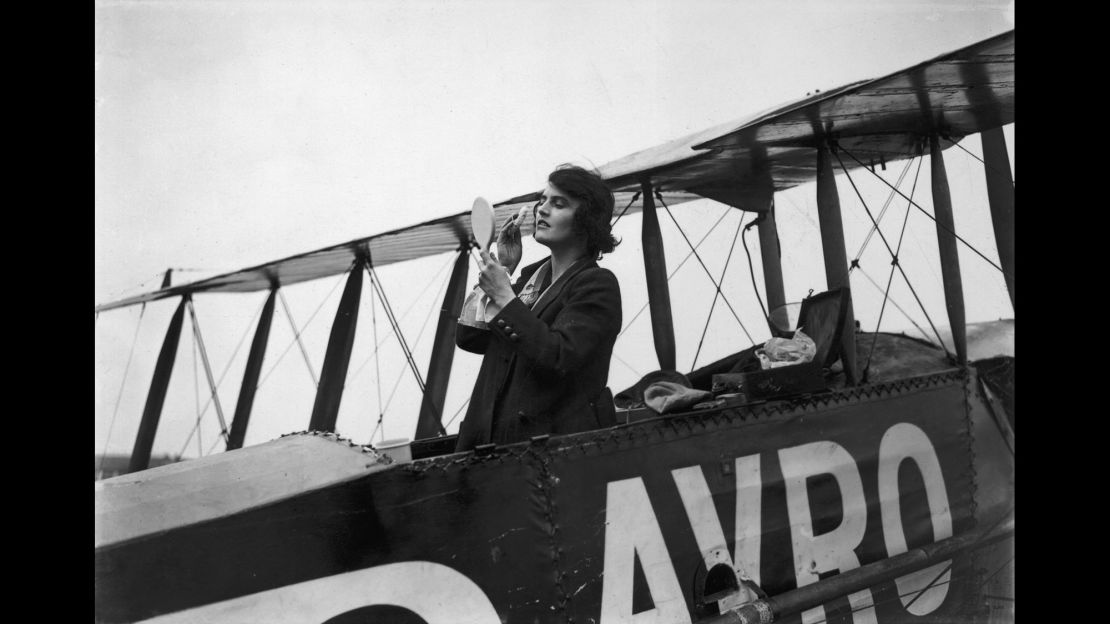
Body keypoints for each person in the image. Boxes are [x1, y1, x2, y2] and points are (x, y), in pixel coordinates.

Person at [454, 165, 622, 451]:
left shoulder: (597, 284)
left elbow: (559, 357)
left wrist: (505, 298)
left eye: (558, 204)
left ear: (586, 220)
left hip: (548, 457)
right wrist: (504, 269)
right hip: (493, 450)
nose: (541, 210)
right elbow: (469, 337)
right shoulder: (529, 281)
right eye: (542, 200)